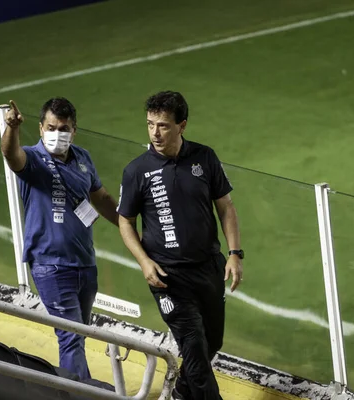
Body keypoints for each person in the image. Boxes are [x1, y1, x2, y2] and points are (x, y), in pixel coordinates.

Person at [117, 91, 244, 400]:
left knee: (212, 341)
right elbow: (125, 222)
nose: (155, 133)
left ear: (182, 125)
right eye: (150, 125)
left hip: (208, 266)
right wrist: (145, 263)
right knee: (195, 346)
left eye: (162, 125)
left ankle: (182, 392)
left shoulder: (205, 157)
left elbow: (225, 207)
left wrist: (234, 253)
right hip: (168, 276)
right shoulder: (137, 171)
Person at [0, 97, 119, 381]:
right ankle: (77, 393)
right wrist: (13, 129)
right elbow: (10, 154)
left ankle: (81, 385)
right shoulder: (32, 159)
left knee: (78, 334)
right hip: (50, 265)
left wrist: (130, 227)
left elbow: (100, 198)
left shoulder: (83, 158)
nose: (56, 134)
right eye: (51, 127)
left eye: (63, 128)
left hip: (85, 263)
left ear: (74, 130)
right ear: (40, 128)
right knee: (71, 336)